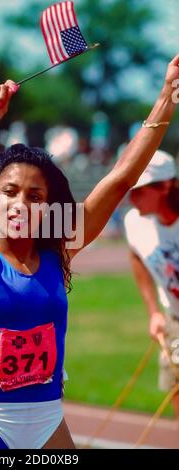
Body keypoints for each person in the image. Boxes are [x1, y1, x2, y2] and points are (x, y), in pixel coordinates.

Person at [0, 54, 179, 449]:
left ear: (48, 207)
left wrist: (167, 95)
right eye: (9, 192)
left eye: (35, 196)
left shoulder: (59, 252)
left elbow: (122, 176)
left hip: (47, 423)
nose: (22, 203)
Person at [123, 149, 179, 421]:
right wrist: (154, 311)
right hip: (174, 321)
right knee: (176, 391)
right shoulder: (134, 223)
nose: (130, 197)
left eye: (139, 189)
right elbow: (136, 255)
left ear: (166, 186)